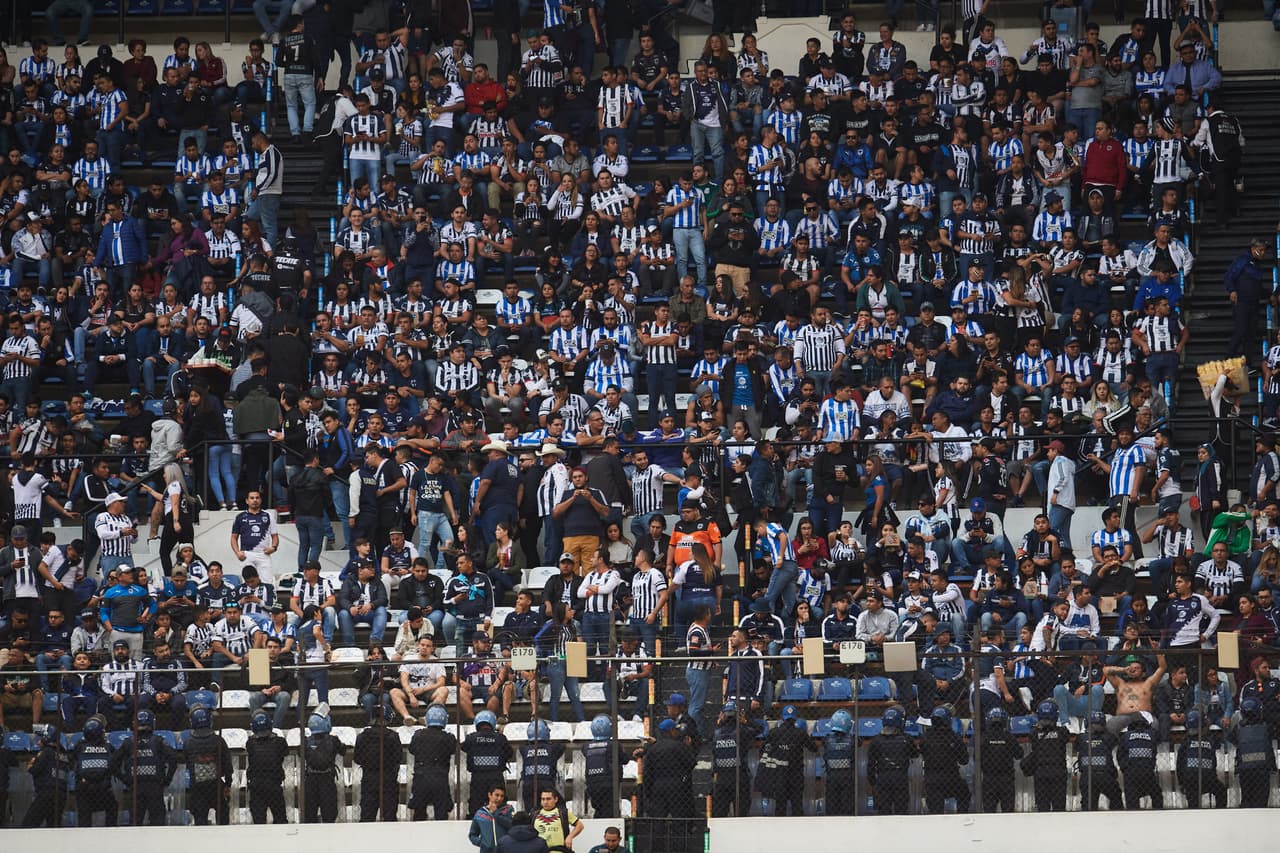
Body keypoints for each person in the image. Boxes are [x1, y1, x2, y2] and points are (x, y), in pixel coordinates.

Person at [184, 705, 232, 826]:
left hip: (198, 788)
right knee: (223, 812)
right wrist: (228, 784)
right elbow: (227, 764)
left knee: (200, 818)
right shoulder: (218, 740)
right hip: (215, 786)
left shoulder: (188, 742)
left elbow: (188, 764)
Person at [410, 703, 458, 820]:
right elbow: (452, 750)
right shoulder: (449, 737)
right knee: (441, 812)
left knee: (419, 811)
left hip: (421, 776)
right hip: (440, 776)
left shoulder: (418, 735)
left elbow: (412, 750)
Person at [354, 712, 402, 821]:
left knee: (367, 814)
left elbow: (357, 758)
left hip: (369, 777)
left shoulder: (362, 736)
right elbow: (398, 757)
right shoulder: (393, 736)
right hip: (388, 777)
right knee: (390, 815)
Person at [245, 711, 289, 824]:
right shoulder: (280, 742)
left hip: (256, 786)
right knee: (280, 819)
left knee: (259, 821)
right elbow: (285, 752)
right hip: (273, 785)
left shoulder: (250, 742)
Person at [302, 710, 342, 823]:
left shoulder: (306, 741)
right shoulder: (333, 740)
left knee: (310, 815)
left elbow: (301, 753)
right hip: (327, 778)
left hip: (311, 779)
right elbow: (342, 750)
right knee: (329, 814)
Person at [471, 783, 515, 851]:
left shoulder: (508, 809)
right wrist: (482, 843)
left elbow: (512, 826)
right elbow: (472, 834)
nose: (499, 798)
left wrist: (496, 813)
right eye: (497, 795)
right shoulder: (480, 813)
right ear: (490, 795)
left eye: (502, 796)